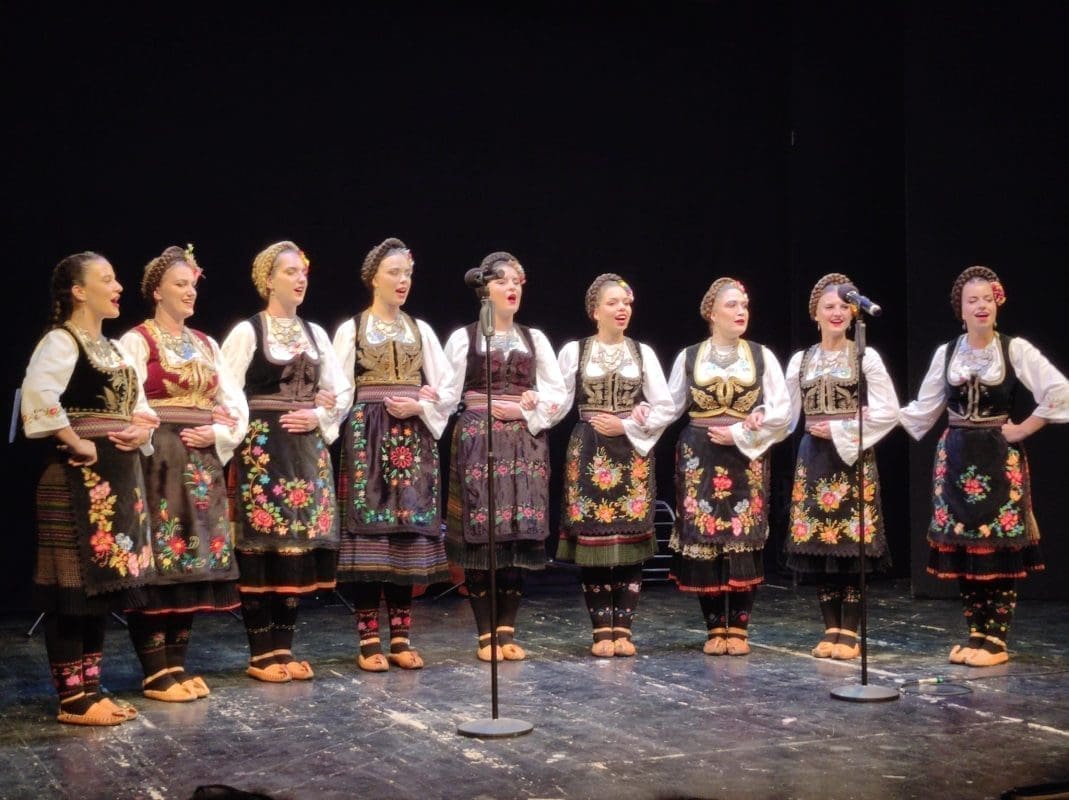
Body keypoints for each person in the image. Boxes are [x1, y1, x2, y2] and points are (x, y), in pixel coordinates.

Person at [900, 265, 1069, 666]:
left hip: (998, 458)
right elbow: (923, 410)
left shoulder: (1014, 349)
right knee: (963, 545)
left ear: (997, 304)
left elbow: (1060, 391)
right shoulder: (947, 353)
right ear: (960, 309)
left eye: (987, 299)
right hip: (955, 457)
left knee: (998, 545)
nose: (981, 306)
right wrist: (870, 417)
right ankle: (976, 633)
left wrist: (1023, 428)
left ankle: (996, 639)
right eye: (972, 300)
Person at [21, 251, 157, 725]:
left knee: (101, 590)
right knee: (71, 592)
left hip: (117, 481)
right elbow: (38, 395)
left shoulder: (116, 350)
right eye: (107, 279)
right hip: (73, 480)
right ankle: (72, 699)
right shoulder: (62, 341)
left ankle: (92, 691)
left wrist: (140, 430)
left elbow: (141, 407)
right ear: (79, 291)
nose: (118, 287)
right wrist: (75, 439)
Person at [118, 245, 248, 700]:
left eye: (192, 285)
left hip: (201, 466)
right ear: (157, 291)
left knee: (190, 564)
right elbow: (129, 400)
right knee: (159, 562)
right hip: (158, 463)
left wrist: (219, 431)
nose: (190, 292)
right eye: (180, 284)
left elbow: (234, 403)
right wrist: (154, 433)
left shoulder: (207, 344)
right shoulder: (137, 341)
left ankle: (176, 664)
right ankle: (155, 671)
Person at [220, 240, 345, 682]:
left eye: (303, 272)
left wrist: (319, 414)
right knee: (262, 546)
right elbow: (226, 389)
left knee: (295, 548)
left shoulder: (316, 334)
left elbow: (339, 392)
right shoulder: (248, 331)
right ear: (267, 280)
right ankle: (260, 655)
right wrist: (233, 431)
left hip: (305, 455)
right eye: (290, 272)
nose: (300, 279)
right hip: (263, 452)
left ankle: (284, 649)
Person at [332, 238, 454, 672]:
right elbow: (338, 389)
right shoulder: (352, 329)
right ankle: (368, 639)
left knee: (406, 535)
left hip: (413, 439)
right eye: (394, 273)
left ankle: (401, 636)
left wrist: (421, 405)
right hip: (368, 437)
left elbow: (447, 387)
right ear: (373, 278)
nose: (403, 281)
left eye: (408, 274)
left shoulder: (420, 330)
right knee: (370, 537)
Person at [442, 251, 566, 661]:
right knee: (482, 535)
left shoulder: (535, 339)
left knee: (518, 534)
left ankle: (507, 631)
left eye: (517, 281)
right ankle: (484, 635)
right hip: (479, 443)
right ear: (484, 289)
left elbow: (557, 394)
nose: (512, 287)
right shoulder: (465, 338)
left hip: (525, 444)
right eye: (502, 281)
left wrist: (530, 407)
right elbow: (447, 393)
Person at [665, 277, 790, 656]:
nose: (741, 312)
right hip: (700, 455)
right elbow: (668, 406)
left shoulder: (761, 355)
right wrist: (636, 417)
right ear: (711, 312)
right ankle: (714, 627)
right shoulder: (690, 357)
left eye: (744, 305)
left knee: (742, 535)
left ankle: (739, 628)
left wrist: (751, 423)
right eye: (732, 305)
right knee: (705, 537)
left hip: (745, 454)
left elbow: (783, 411)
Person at [554, 273, 674, 657]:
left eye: (626, 303)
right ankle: (600, 630)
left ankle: (623, 629)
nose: (622, 309)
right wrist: (530, 405)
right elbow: (557, 401)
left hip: (631, 452)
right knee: (594, 541)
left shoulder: (642, 352)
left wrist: (629, 422)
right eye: (613, 303)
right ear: (595, 310)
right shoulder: (575, 351)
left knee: (630, 540)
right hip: (589, 450)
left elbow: (666, 406)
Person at [783, 273, 900, 660]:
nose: (837, 312)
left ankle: (849, 631)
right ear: (815, 314)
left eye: (843, 307)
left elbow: (888, 410)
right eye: (828, 307)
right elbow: (786, 413)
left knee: (851, 546)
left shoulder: (865, 356)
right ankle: (830, 628)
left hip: (851, 459)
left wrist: (842, 427)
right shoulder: (802, 360)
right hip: (813, 460)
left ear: (853, 314)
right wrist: (754, 423)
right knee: (820, 546)